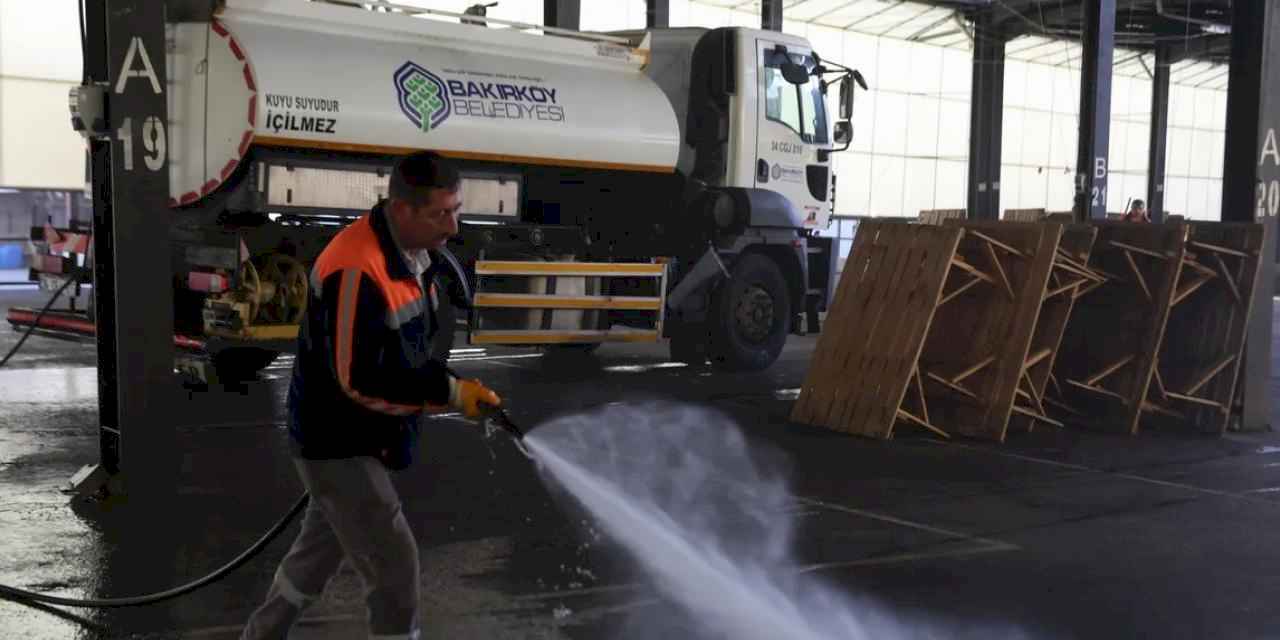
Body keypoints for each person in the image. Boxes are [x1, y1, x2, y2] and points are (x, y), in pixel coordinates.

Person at [241, 151, 500, 640]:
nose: (454, 226)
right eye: (441, 213)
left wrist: (458, 392)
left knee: (316, 553)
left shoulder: (417, 258)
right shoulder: (356, 269)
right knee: (394, 566)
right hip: (336, 440)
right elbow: (358, 378)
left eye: (456, 210)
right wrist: (449, 393)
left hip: (363, 438)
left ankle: (262, 634)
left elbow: (412, 351)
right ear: (402, 209)